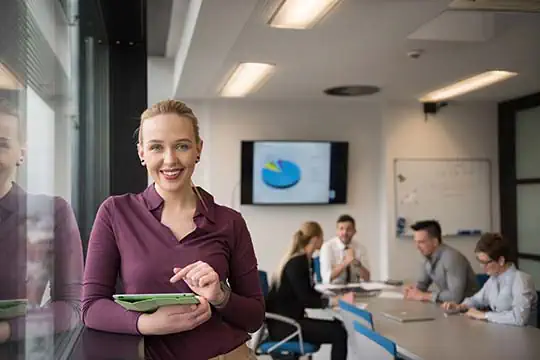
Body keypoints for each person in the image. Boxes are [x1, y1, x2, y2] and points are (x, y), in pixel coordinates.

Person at [82, 99, 264, 360]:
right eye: (156, 147)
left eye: (182, 146)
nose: (170, 160)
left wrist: (220, 295)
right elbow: (91, 308)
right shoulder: (115, 212)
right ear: (142, 152)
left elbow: (255, 318)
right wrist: (148, 324)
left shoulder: (230, 221)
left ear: (198, 150)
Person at [0, 98, 83, 344]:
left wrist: (6, 331)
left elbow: (72, 308)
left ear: (21, 153)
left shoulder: (52, 212)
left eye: (1, 144)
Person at [266, 221, 352, 360]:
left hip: (288, 322)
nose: (323, 241)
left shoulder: (305, 260)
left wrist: (328, 297)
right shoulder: (298, 262)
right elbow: (305, 298)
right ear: (315, 239)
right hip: (285, 327)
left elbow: (308, 291)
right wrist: (331, 301)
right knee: (339, 332)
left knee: (338, 326)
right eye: (322, 237)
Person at [442, 233, 538, 327]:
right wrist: (460, 307)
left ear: (501, 261)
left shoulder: (521, 280)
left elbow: (519, 318)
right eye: (480, 261)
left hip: (525, 337)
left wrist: (484, 315)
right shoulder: (493, 279)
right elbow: (476, 299)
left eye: (485, 262)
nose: (482, 266)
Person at [404, 220, 477, 303]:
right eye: (416, 242)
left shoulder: (451, 257)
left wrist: (424, 295)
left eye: (421, 242)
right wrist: (412, 291)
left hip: (469, 309)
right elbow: (422, 285)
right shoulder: (427, 256)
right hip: (450, 308)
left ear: (435, 242)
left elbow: (455, 297)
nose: (417, 247)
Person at [319, 214, 370, 284]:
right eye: (341, 229)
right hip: (333, 290)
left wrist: (355, 262)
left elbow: (367, 277)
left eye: (349, 229)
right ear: (336, 231)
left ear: (354, 231)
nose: (345, 232)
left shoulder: (360, 247)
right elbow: (326, 278)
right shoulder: (327, 247)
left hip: (355, 290)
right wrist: (345, 262)